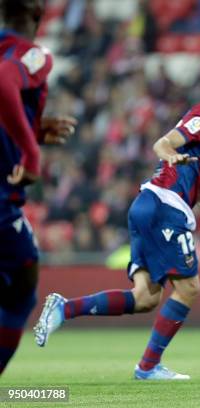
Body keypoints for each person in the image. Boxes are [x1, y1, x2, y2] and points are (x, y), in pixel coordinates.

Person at [34, 67, 200, 380]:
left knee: (145, 298)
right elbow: (163, 143)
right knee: (190, 288)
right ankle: (148, 366)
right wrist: (171, 155)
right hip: (165, 205)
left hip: (148, 206)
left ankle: (63, 308)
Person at [0, 0, 76, 376]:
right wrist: (30, 153)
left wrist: (31, 129)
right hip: (3, 196)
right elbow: (4, 83)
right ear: (38, 14)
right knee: (23, 282)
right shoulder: (35, 55)